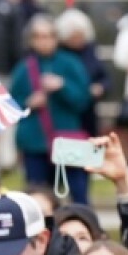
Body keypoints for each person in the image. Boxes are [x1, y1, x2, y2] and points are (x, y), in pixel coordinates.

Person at [8, 15, 92, 204]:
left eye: (49, 36)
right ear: (31, 40)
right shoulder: (23, 68)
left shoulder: (70, 63)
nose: (44, 41)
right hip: (35, 143)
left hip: (68, 140)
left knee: (78, 194)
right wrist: (29, 102)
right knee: (37, 195)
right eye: (39, 36)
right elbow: (12, 105)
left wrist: (63, 86)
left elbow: (83, 100)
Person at [56, 8, 109, 138]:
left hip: (89, 112)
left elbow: (104, 77)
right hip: (66, 113)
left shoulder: (89, 51)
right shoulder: (59, 55)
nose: (78, 40)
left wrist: (100, 87)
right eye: (74, 37)